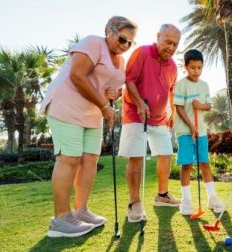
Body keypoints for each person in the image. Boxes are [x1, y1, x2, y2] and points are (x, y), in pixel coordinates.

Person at [38, 16, 137, 237]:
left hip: (92, 113)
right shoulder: (93, 43)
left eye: (130, 42)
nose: (125, 45)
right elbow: (77, 75)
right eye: (122, 39)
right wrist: (103, 105)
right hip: (67, 106)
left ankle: (81, 211)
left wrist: (114, 94)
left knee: (90, 160)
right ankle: (60, 220)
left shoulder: (120, 61)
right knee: (69, 159)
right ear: (108, 31)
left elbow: (110, 88)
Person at [118, 24, 181, 223]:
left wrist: (172, 112)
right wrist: (138, 103)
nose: (171, 47)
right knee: (136, 157)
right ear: (158, 36)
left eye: (175, 44)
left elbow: (171, 90)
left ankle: (162, 195)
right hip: (136, 114)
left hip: (160, 118)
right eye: (168, 42)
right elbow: (129, 80)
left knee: (166, 153)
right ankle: (134, 203)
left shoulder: (173, 66)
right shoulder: (142, 52)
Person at [173, 49, 226, 215]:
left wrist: (200, 106)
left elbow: (208, 105)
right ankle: (186, 201)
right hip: (185, 131)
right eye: (193, 67)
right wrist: (190, 126)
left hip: (201, 131)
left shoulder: (204, 85)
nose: (196, 71)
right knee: (187, 164)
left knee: (204, 163)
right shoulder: (181, 85)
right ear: (186, 67)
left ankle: (212, 198)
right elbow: (179, 107)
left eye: (199, 68)